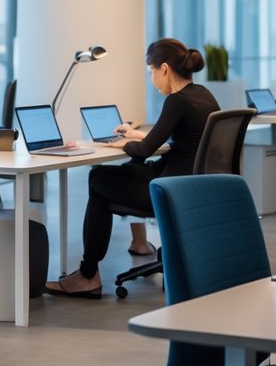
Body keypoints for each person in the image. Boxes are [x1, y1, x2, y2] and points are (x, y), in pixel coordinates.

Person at [44, 38, 219, 298]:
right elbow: (170, 138)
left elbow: (145, 149)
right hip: (193, 187)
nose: (151, 78)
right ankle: (113, 258)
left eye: (151, 71)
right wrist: (134, 136)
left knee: (98, 178)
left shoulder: (176, 101)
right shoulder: (202, 95)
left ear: (165, 69)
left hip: (170, 190)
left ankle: (88, 275)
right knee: (117, 174)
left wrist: (121, 145)